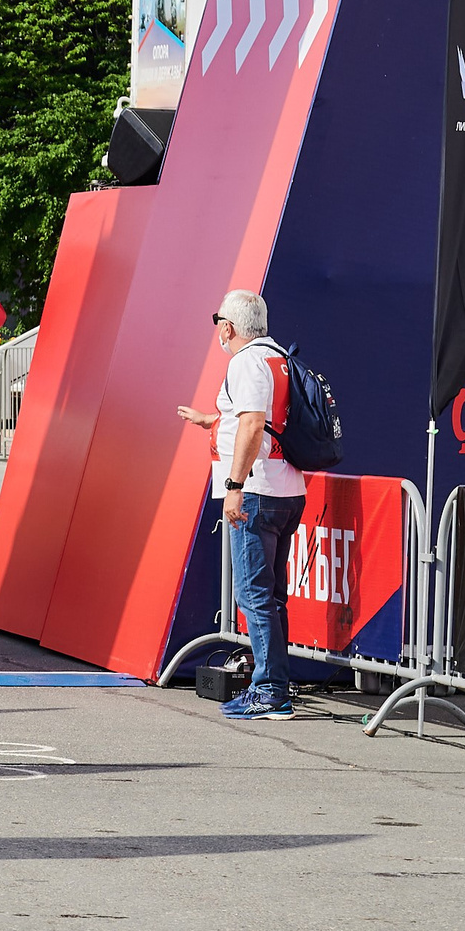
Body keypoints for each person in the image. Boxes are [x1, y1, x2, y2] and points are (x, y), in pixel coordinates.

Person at [179, 289, 307, 720]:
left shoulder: (245, 362)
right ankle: (277, 685)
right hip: (287, 490)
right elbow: (262, 416)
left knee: (254, 596)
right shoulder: (278, 359)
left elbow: (253, 424)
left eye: (218, 323)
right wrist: (212, 420)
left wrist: (234, 485)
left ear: (228, 328)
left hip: (258, 491)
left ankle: (271, 691)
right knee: (270, 595)